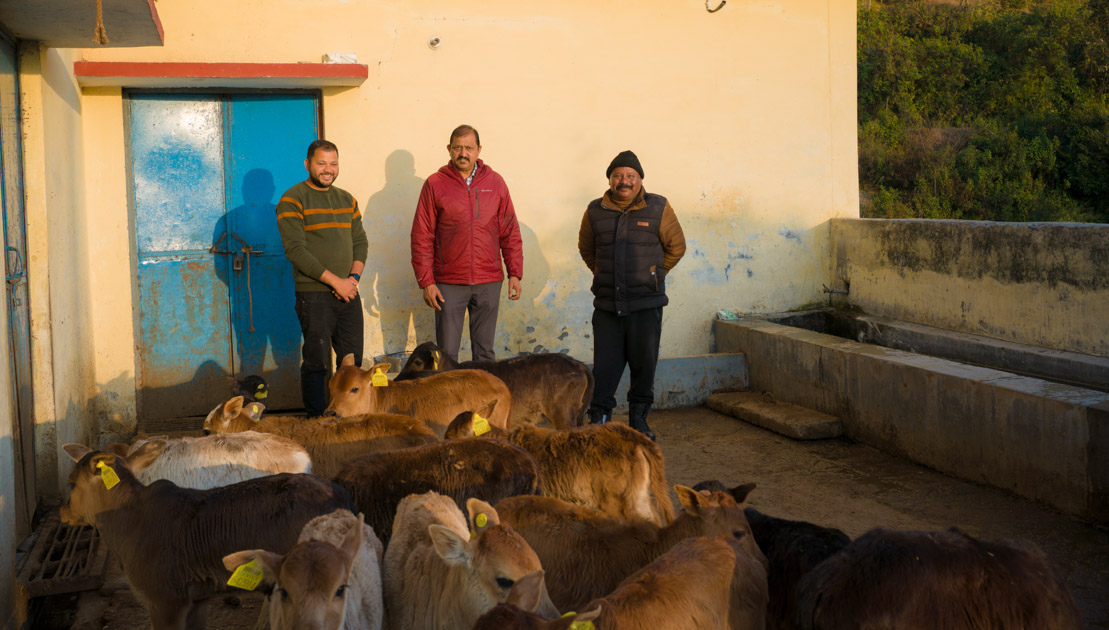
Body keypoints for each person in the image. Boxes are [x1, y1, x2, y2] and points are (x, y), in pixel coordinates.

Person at [578, 150, 686, 440]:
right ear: (610, 180)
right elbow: (587, 250)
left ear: (640, 179)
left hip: (645, 304)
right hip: (607, 306)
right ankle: (599, 416)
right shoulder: (594, 211)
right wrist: (604, 272)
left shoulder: (659, 207)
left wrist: (652, 274)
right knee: (605, 365)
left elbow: (677, 246)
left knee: (644, 363)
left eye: (630, 176)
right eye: (617, 176)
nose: (623, 181)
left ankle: (639, 418)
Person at [410, 124, 523, 363]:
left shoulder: (496, 183)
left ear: (479, 150)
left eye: (469, 148)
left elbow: (509, 230)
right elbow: (422, 235)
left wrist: (515, 272)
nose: (464, 153)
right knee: (446, 355)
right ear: (449, 149)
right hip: (448, 282)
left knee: (484, 354)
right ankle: (451, 402)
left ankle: (484, 401)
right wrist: (426, 281)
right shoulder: (435, 184)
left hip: (489, 280)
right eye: (458, 147)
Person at [276, 139, 367, 417]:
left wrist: (352, 279)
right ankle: (316, 422)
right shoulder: (292, 199)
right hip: (313, 294)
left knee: (352, 363)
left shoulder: (347, 199)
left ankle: (348, 419)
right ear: (307, 164)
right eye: (321, 163)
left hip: (349, 291)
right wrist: (335, 281)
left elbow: (360, 240)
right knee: (317, 362)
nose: (328, 169)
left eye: (333, 163)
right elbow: (295, 250)